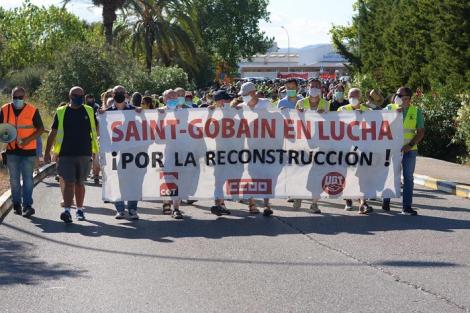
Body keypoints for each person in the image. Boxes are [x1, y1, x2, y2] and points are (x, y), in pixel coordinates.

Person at [44, 86, 99, 223]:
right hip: (65, 154)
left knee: (80, 183)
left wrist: (96, 151)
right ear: (70, 96)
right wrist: (47, 152)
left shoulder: (89, 110)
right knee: (69, 183)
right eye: (75, 95)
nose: (78, 97)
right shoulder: (61, 112)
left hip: (84, 153)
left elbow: (97, 128)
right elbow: (53, 132)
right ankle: (67, 211)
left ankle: (80, 210)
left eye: (81, 95)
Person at [0, 86, 44, 217]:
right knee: (14, 180)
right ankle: (17, 205)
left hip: (28, 150)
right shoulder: (4, 109)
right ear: (11, 96)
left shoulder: (32, 110)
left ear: (25, 97)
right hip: (12, 150)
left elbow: (40, 129)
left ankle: (27, 205)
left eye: (20, 97)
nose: (17, 99)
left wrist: (27, 140)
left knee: (28, 179)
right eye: (15, 97)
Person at [382, 87, 425, 215]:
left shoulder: (416, 111)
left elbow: (421, 132)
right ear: (396, 97)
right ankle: (386, 201)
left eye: (406, 98)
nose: (404, 100)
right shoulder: (389, 109)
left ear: (410, 99)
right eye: (401, 97)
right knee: (390, 176)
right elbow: (378, 125)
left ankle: (406, 207)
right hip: (392, 149)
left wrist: (410, 145)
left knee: (408, 178)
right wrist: (394, 114)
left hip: (409, 150)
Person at [103, 86, 142, 220]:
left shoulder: (135, 111)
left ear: (126, 94)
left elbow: (145, 128)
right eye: (116, 92)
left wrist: (142, 113)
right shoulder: (106, 113)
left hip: (132, 152)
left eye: (121, 92)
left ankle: (132, 209)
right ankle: (120, 210)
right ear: (112, 95)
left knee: (133, 181)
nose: (119, 94)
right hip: (114, 153)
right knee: (115, 180)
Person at [237, 82, 273, 216]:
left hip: (266, 146)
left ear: (253, 93)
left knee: (266, 175)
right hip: (247, 147)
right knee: (250, 176)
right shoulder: (241, 107)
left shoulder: (266, 104)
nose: (244, 97)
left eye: (245, 94)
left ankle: (267, 204)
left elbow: (279, 118)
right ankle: (252, 204)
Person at [338, 88, 374, 214]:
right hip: (346, 148)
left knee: (362, 176)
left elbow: (375, 126)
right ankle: (348, 199)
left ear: (360, 97)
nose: (352, 98)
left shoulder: (368, 111)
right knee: (347, 175)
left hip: (362, 148)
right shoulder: (342, 109)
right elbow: (336, 125)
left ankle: (363, 203)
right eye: (350, 96)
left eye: (355, 96)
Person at [207, 89, 236, 216]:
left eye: (228, 99)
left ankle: (221, 204)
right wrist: (209, 115)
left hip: (236, 153)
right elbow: (207, 132)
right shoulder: (215, 115)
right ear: (219, 102)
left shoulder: (237, 112)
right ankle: (219, 204)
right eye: (225, 100)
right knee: (219, 179)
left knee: (227, 179)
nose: (228, 102)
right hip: (222, 153)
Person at [160, 89, 184, 219]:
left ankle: (176, 208)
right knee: (167, 178)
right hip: (166, 151)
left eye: (175, 96)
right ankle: (165, 201)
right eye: (169, 97)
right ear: (164, 99)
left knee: (179, 178)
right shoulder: (159, 112)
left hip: (182, 151)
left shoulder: (185, 112)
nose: (173, 99)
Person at [85, 94, 101, 184]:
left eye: (91, 99)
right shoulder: (84, 107)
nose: (90, 100)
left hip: (94, 134)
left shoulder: (96, 107)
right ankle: (88, 173)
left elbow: (96, 122)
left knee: (94, 155)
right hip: (87, 134)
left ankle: (95, 174)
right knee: (89, 155)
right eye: (88, 99)